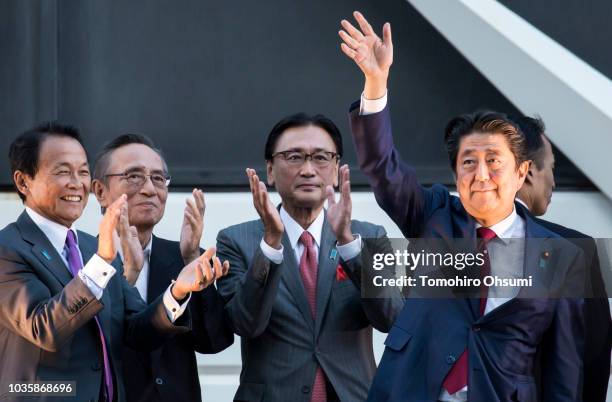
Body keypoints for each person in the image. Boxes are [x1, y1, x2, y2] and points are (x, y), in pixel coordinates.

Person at [339, 12, 586, 401]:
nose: (481, 173)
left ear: (521, 173)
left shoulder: (562, 257)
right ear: (456, 174)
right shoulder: (434, 215)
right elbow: (384, 170)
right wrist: (375, 82)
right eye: (468, 162)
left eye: (494, 160)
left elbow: (564, 367)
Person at [0, 123, 226, 402]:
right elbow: (42, 327)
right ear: (23, 182)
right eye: (62, 171)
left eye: (82, 171)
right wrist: (103, 261)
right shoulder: (8, 248)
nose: (76, 183)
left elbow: (136, 329)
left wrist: (178, 291)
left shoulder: (88, 246)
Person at [215, 113, 403, 402]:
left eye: (321, 158)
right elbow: (246, 324)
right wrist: (271, 244)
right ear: (270, 170)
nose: (307, 169)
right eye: (293, 157)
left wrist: (349, 246)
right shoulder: (236, 241)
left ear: (337, 167)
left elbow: (392, 318)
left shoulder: (369, 236)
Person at [91, 134, 233, 402]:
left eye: (158, 178)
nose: (149, 189)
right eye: (134, 176)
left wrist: (192, 256)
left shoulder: (182, 257)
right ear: (100, 191)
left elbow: (214, 342)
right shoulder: (83, 262)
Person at [513, 115, 611, 402]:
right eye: (552, 169)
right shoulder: (576, 249)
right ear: (529, 172)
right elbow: (594, 355)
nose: (553, 181)